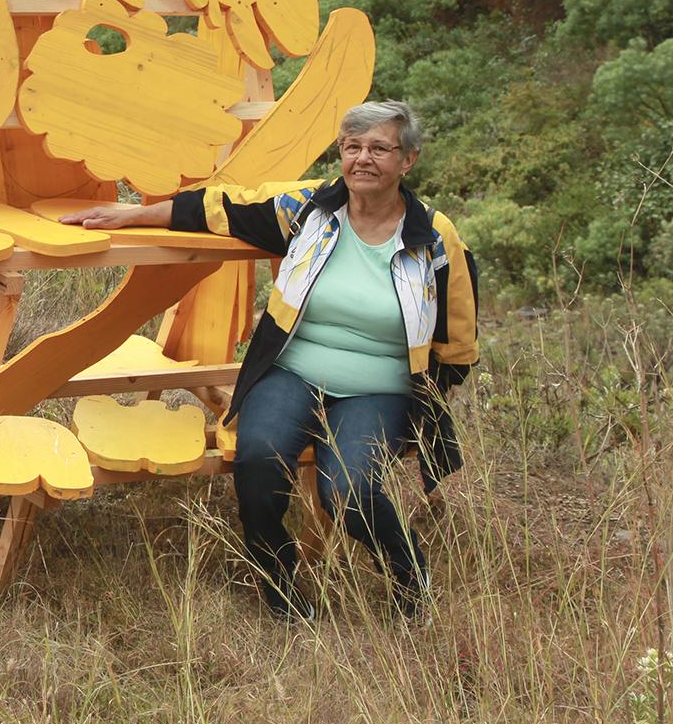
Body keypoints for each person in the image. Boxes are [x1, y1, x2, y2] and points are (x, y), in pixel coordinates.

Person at [63, 100, 477, 618]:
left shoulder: (433, 236)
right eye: (352, 147)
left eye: (379, 148)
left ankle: (408, 571)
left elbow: (458, 332)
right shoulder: (310, 210)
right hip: (294, 369)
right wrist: (134, 213)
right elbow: (222, 208)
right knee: (257, 460)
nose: (362, 159)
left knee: (347, 488)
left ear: (407, 160)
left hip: (380, 386)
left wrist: (434, 397)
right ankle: (278, 582)